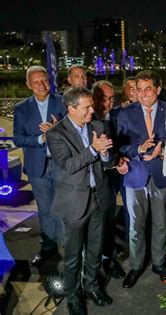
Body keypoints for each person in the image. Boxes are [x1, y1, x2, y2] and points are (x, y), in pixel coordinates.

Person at [46, 86, 115, 314]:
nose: (91, 111)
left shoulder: (97, 125)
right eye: (86, 107)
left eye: (91, 106)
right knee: (74, 256)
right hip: (74, 204)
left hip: (99, 198)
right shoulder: (56, 133)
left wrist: (105, 154)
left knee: (95, 250)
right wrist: (94, 149)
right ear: (71, 108)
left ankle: (92, 286)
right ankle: (73, 297)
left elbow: (106, 163)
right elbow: (68, 165)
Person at [117, 70, 166, 288]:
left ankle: (159, 264)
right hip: (135, 176)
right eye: (138, 90)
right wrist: (138, 149)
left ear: (158, 90)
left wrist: (165, 151)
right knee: (135, 226)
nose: (142, 94)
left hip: (161, 173)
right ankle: (136, 266)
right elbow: (118, 144)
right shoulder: (125, 113)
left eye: (147, 89)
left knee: (160, 224)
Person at [13, 66, 67, 266]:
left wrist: (57, 130)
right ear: (28, 85)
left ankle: (67, 246)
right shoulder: (21, 108)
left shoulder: (63, 101)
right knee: (45, 208)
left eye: (44, 80)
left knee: (63, 207)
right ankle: (48, 246)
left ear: (49, 81)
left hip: (61, 163)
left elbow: (75, 131)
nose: (41, 85)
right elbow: (18, 138)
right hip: (37, 166)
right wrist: (41, 138)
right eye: (35, 82)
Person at [91, 80, 127, 279]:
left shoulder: (114, 116)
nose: (109, 102)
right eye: (104, 98)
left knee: (109, 221)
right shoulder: (90, 121)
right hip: (95, 182)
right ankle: (97, 264)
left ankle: (108, 257)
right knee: (97, 225)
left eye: (112, 98)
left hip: (111, 180)